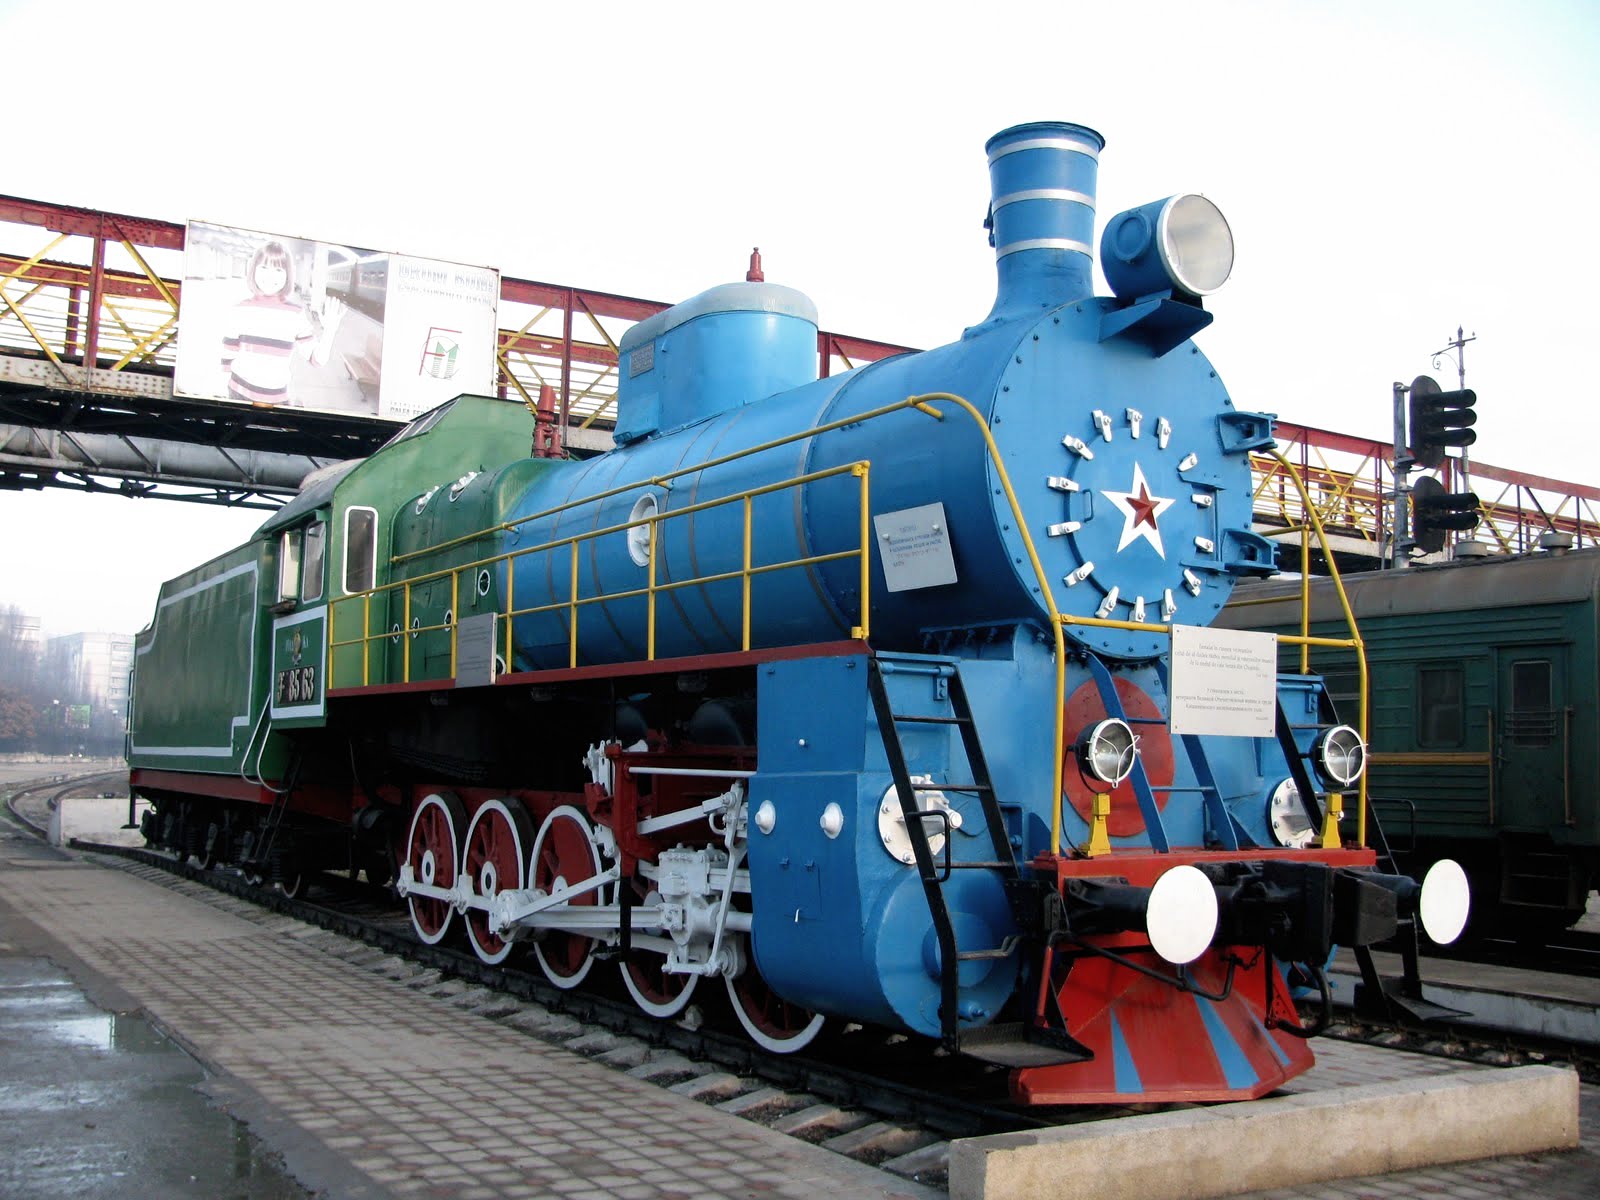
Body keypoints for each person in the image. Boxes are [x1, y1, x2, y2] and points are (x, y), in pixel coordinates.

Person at [220, 241, 319, 405]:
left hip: (277, 399)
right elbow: (228, 353)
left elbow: (315, 359)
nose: (270, 276)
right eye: (263, 268)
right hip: (238, 393)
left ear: (288, 275)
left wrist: (330, 330)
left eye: (278, 269)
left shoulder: (296, 314)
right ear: (253, 270)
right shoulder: (239, 309)